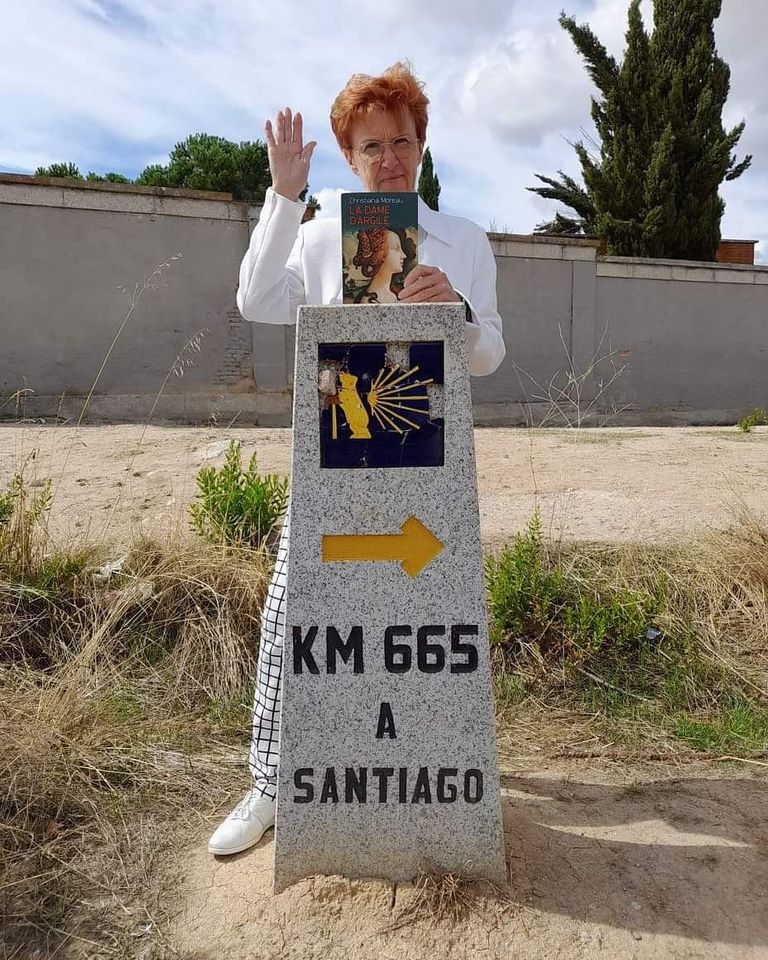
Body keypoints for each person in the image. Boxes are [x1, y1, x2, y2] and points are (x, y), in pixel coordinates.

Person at [207, 61, 505, 857]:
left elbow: (490, 355)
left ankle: (431, 766)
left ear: (421, 145)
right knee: (290, 609)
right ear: (349, 156)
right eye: (371, 146)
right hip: (333, 455)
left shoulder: (464, 241)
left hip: (427, 458)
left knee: (426, 622)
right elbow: (255, 301)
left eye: (400, 141)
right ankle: (272, 783)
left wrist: (458, 311)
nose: (389, 159)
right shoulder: (317, 236)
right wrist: (283, 195)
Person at [352, 227, 407, 303]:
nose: (404, 255)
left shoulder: (391, 295)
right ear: (380, 254)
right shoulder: (369, 302)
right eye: (397, 249)